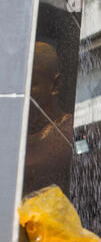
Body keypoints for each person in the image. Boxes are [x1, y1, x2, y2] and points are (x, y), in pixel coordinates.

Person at [23, 42, 74, 196]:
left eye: (30, 84)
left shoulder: (71, 132)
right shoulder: (10, 137)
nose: (21, 92)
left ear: (55, 85)